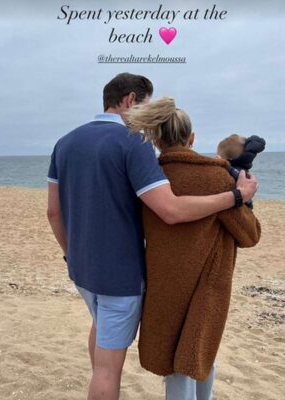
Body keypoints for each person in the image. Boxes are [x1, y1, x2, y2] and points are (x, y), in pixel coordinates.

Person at [46, 73, 257, 400]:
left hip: (81, 270)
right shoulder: (133, 142)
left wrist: (71, 256)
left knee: (102, 335)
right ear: (131, 100)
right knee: (107, 371)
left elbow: (54, 213)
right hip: (119, 277)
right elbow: (170, 210)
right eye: (145, 105)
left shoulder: (65, 142)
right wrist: (236, 196)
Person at [125, 97, 261, 400]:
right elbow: (249, 235)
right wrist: (245, 199)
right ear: (192, 138)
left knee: (179, 362)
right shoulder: (217, 177)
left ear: (157, 140)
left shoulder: (150, 178)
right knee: (198, 354)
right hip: (207, 285)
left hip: (163, 282)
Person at [217, 134, 266, 208]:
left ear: (229, 159)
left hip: (243, 205)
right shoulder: (241, 168)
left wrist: (226, 166)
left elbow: (238, 176)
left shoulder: (236, 171)